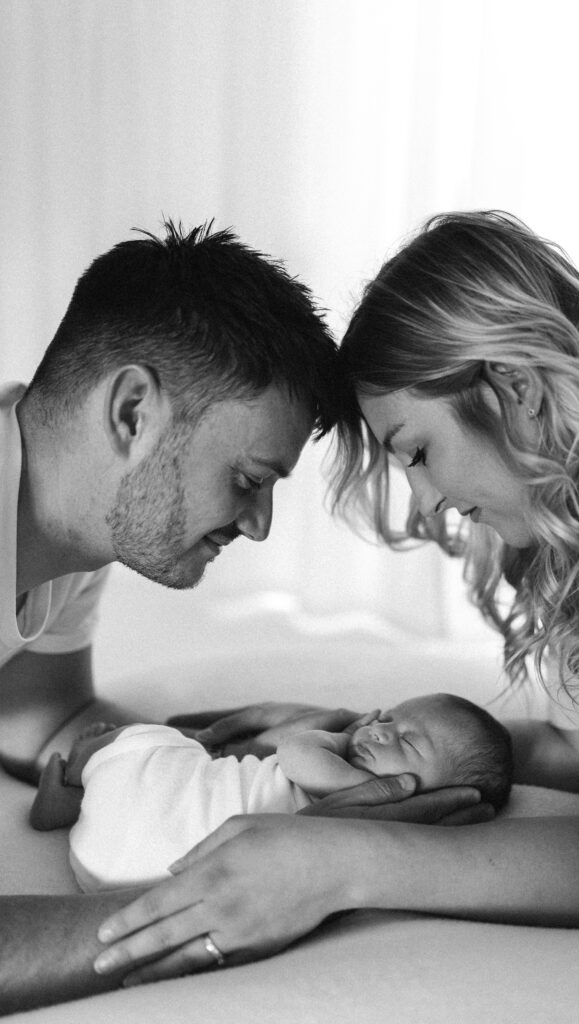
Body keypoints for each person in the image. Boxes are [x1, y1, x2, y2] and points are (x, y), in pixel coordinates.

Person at [86, 210, 579, 987]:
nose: (428, 503)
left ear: (516, 387)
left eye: (420, 453)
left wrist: (334, 861)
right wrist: (382, 737)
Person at [0, 221, 490, 1015]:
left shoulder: (61, 530)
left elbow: (41, 724)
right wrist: (224, 905)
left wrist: (247, 768)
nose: (258, 524)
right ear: (131, 413)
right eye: (248, 478)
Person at [30, 694, 512, 891]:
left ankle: (67, 787)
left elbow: (294, 751)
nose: (380, 731)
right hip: (125, 881)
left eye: (407, 741)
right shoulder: (383, 843)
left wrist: (342, 733)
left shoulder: (356, 786)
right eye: (386, 718)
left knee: (149, 738)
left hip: (111, 846)